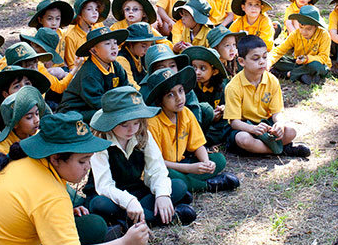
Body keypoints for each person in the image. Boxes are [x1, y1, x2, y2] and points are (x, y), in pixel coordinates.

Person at [0, 111, 150, 245]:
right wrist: (125, 244)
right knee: (94, 227)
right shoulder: (51, 194)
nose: (88, 167)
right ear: (55, 158)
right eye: (82, 161)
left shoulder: (25, 162)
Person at [86, 86, 196, 226]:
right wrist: (129, 202)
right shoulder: (101, 143)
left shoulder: (142, 135)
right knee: (99, 205)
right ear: (110, 122)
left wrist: (162, 195)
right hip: (109, 195)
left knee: (178, 185)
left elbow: (157, 169)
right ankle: (167, 217)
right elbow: (104, 186)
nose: (132, 129)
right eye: (124, 125)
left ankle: (126, 222)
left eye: (136, 123)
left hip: (136, 190)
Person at [143, 67, 240, 193]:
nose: (179, 98)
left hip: (183, 162)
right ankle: (208, 186)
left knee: (218, 160)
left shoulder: (186, 113)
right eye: (170, 95)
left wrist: (205, 163)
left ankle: (189, 183)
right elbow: (158, 162)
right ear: (159, 101)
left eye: (181, 90)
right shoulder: (153, 123)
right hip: (165, 167)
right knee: (169, 176)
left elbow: (197, 145)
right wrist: (190, 168)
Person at [224, 35, 310, 157]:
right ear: (242, 61)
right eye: (255, 58)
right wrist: (253, 129)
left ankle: (261, 149)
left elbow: (277, 112)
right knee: (243, 139)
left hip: (266, 126)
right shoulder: (233, 86)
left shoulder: (272, 80)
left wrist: (279, 124)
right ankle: (283, 149)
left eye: (265, 57)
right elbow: (235, 122)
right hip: (246, 127)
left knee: (291, 131)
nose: (262, 62)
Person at [58, 26, 130, 123]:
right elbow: (97, 103)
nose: (113, 47)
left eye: (115, 43)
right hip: (75, 112)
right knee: (109, 113)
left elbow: (127, 87)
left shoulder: (116, 66)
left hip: (100, 106)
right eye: (107, 44)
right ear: (93, 51)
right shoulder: (89, 73)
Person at [269, 5, 332, 85]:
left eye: (308, 29)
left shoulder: (324, 35)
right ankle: (307, 76)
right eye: (301, 27)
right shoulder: (296, 34)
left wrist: (306, 59)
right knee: (277, 61)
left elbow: (324, 57)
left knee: (315, 66)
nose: (304, 32)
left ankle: (288, 74)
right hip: (299, 63)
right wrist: (268, 62)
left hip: (318, 64)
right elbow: (279, 50)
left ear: (316, 27)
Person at [184, 46, 231, 147]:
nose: (197, 72)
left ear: (214, 71)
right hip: (198, 124)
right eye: (194, 67)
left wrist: (223, 109)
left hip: (216, 127)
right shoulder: (190, 87)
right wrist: (208, 116)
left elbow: (229, 104)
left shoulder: (222, 86)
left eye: (203, 68)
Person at [61, 0, 109, 70]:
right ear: (79, 14)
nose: (95, 12)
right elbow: (72, 66)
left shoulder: (98, 25)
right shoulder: (71, 36)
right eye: (89, 9)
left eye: (96, 9)